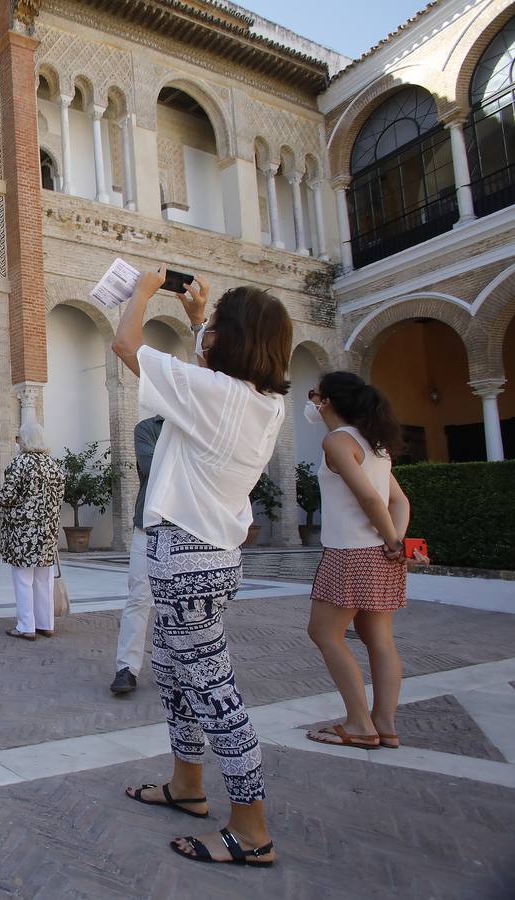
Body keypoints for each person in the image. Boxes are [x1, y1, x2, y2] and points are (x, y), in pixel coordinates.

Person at [112, 266, 289, 867]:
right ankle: (188, 785)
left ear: (229, 341)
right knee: (175, 671)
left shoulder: (216, 396)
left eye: (214, 326)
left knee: (214, 693)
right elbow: (207, 388)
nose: (206, 330)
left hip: (186, 559)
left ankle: (251, 828)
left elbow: (125, 345)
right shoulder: (262, 403)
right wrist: (196, 323)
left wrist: (141, 290)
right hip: (203, 557)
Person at [305, 372, 427, 751]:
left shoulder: (338, 441)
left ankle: (359, 723)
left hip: (349, 554)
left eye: (314, 395)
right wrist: (395, 542)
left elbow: (370, 500)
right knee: (381, 641)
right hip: (381, 555)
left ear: (328, 401)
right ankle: (384, 724)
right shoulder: (376, 447)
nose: (312, 402)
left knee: (324, 633)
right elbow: (399, 501)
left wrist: (392, 538)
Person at [0, 421, 65, 641]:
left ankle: (26, 626)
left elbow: (8, 496)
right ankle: (46, 624)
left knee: (23, 578)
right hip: (47, 530)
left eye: (19, 438)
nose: (18, 442)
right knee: (44, 578)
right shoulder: (53, 465)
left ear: (26, 439)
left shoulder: (20, 463)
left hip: (24, 533)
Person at [111, 415, 164, 694]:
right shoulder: (147, 428)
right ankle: (127, 668)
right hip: (150, 523)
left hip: (188, 529)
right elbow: (151, 467)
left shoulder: (200, 423)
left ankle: (180, 669)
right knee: (139, 596)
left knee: (181, 604)